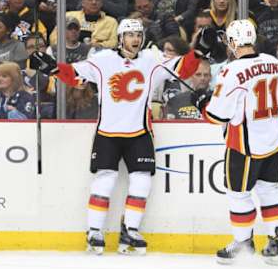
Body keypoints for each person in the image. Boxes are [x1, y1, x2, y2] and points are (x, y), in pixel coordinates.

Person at [30, 18, 218, 255]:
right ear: (120, 38)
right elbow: (76, 77)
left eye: (138, 35)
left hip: (140, 132)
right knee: (105, 180)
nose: (135, 39)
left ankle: (130, 229)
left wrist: (199, 51)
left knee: (142, 181)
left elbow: (183, 68)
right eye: (130, 35)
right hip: (108, 132)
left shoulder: (153, 60)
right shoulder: (103, 60)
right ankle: (94, 231)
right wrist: (53, 68)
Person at [191, 19, 278, 265]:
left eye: (229, 41)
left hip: (245, 145)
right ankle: (276, 242)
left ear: (234, 42)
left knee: (238, 193)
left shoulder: (231, 70)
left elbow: (217, 116)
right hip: (276, 139)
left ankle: (243, 242)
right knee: (269, 189)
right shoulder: (275, 62)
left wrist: (201, 102)